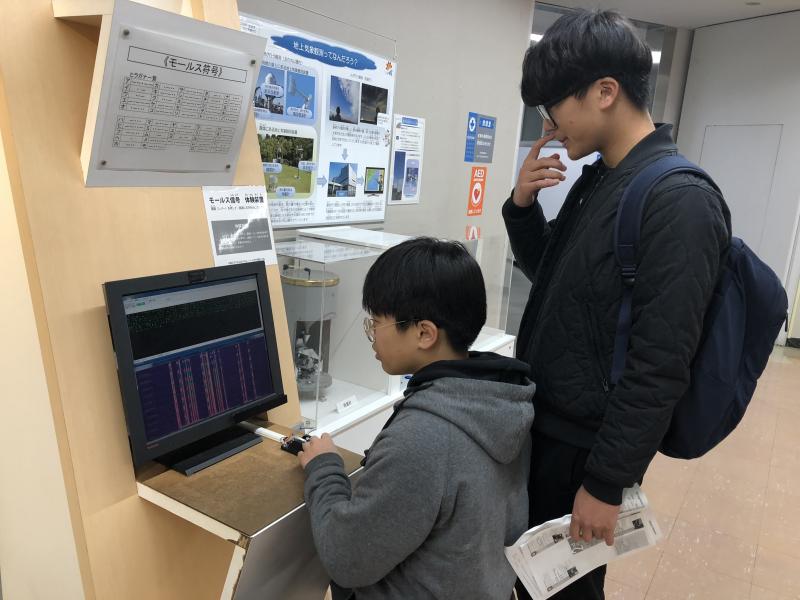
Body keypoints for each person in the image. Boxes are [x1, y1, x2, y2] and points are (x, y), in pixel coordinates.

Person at [503, 10, 730, 600]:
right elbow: (563, 288)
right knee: (533, 586)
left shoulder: (680, 200)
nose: (549, 126)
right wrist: (522, 208)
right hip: (551, 428)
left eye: (554, 106)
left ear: (605, 92)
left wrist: (607, 483)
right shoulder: (605, 176)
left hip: (587, 449)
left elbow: (661, 364)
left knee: (565, 593)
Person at [297, 237, 536, 600]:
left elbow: (347, 559)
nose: (371, 335)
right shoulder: (504, 400)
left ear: (424, 333)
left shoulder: (425, 438)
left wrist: (325, 469)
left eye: (376, 322)